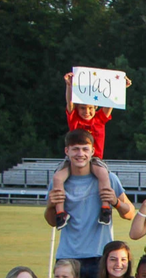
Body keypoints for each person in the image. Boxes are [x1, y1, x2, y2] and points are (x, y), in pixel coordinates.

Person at [45, 130, 135, 278]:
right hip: (68, 256)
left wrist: (115, 202)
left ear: (92, 151)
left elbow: (130, 213)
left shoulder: (109, 178)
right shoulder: (59, 180)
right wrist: (50, 206)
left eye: (85, 149)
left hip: (100, 256)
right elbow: (52, 221)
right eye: (75, 149)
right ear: (67, 151)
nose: (80, 154)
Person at [51, 72, 132, 229]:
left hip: (95, 159)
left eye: (89, 108)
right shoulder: (74, 118)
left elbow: (110, 102)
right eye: (82, 108)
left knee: (103, 174)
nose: (86, 112)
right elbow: (69, 103)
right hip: (74, 159)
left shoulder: (100, 119)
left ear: (95, 107)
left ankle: (105, 208)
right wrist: (69, 85)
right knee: (57, 178)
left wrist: (120, 87)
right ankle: (60, 213)